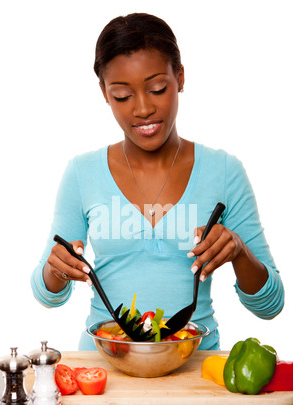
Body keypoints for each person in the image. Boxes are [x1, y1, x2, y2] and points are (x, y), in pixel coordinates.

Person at [31, 13, 284, 350]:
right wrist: (57, 269)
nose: (143, 108)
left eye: (157, 88)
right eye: (122, 95)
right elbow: (47, 295)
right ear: (105, 94)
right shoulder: (82, 172)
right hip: (104, 366)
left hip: (194, 366)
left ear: (179, 77)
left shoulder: (224, 171)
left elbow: (270, 305)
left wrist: (239, 251)